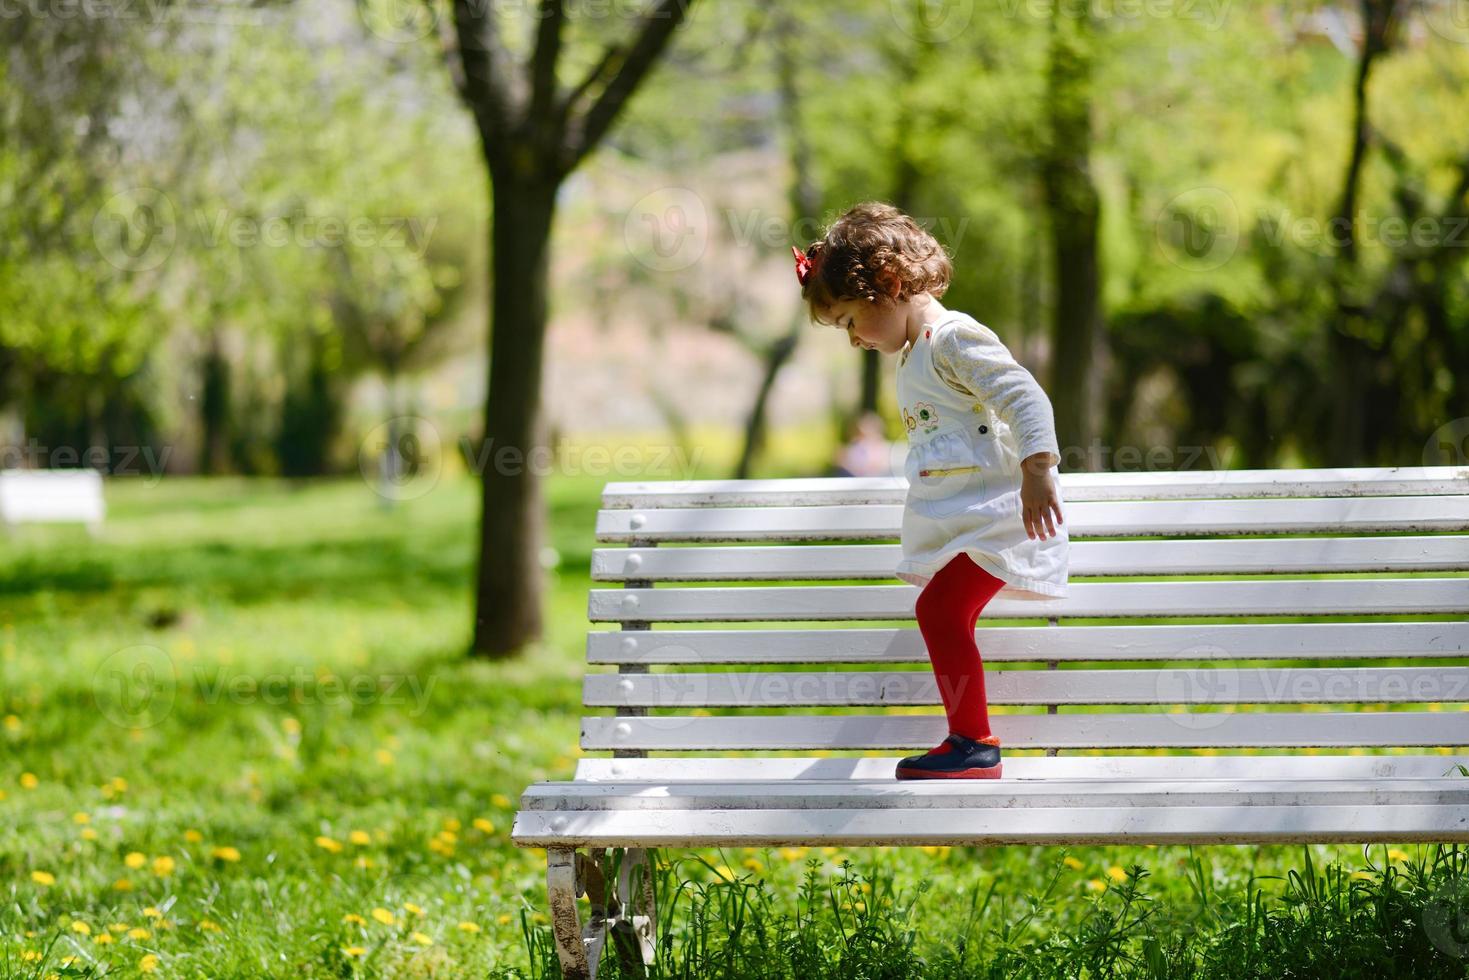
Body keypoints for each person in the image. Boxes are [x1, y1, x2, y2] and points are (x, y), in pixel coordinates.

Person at [793, 201, 1069, 780]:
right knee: (941, 612)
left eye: (849, 321)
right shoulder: (918, 354)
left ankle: (974, 743)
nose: (853, 339)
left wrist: (1038, 469)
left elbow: (1025, 396)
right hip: (975, 521)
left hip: (1003, 517)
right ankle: (970, 741)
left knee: (939, 610)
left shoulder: (952, 339)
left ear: (887, 286)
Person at [829, 411, 895, 478]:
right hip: (855, 476)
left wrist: (848, 465)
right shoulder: (858, 443)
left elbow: (875, 467)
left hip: (867, 478)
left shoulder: (878, 446)